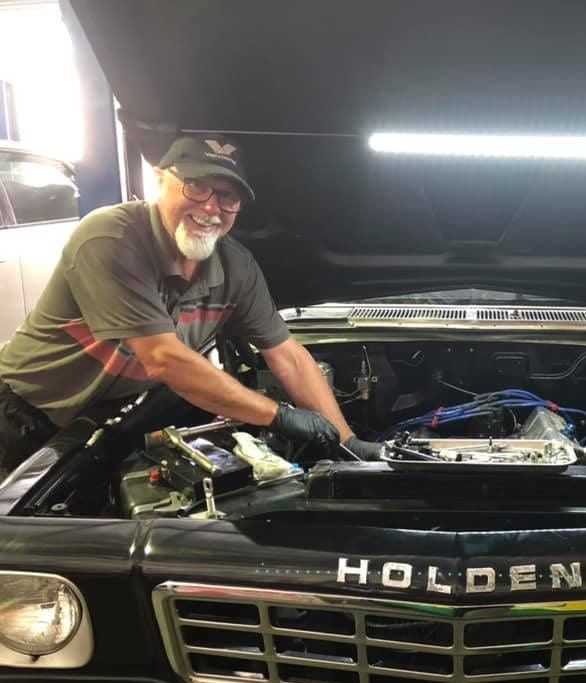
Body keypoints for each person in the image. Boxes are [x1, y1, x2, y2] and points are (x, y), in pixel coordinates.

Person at [0, 134, 382, 476]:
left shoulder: (237, 267)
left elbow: (288, 356)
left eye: (227, 196)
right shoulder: (110, 238)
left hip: (114, 417)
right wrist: (278, 416)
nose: (211, 207)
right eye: (196, 185)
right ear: (160, 178)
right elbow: (163, 358)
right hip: (23, 415)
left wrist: (347, 443)